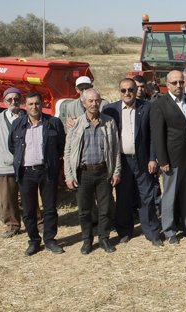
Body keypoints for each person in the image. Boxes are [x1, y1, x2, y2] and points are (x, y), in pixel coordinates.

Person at [150, 70, 186, 244]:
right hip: (172, 159)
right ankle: (169, 231)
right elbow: (158, 135)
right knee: (170, 196)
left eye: (180, 82)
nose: (178, 86)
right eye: (174, 83)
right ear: (167, 85)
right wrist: (163, 160)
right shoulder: (160, 104)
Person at [102, 78, 161, 246]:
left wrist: (152, 158)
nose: (127, 93)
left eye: (130, 90)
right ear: (119, 92)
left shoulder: (146, 107)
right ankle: (125, 231)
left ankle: (151, 232)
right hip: (122, 162)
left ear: (136, 90)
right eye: (123, 90)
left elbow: (152, 136)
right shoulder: (110, 110)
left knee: (147, 197)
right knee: (123, 197)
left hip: (142, 161)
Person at [64, 88, 122, 255]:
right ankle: (87, 240)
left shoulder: (109, 122)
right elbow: (68, 151)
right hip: (83, 173)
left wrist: (116, 171)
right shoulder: (76, 124)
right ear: (83, 103)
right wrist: (69, 175)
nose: (94, 104)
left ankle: (104, 238)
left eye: (97, 100)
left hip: (103, 171)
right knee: (84, 210)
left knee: (105, 209)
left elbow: (116, 149)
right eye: (90, 101)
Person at [8, 91, 66, 256]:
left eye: (37, 103)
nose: (34, 107)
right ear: (24, 106)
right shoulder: (17, 125)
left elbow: (60, 146)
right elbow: (12, 146)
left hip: (47, 171)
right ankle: (33, 241)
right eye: (30, 104)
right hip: (26, 173)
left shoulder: (53, 123)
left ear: (42, 104)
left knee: (49, 208)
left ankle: (49, 240)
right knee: (28, 210)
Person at [0, 87, 25, 238]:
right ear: (4, 102)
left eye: (16, 99)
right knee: (7, 199)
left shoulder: (27, 117)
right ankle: (12, 225)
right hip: (5, 165)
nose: (13, 102)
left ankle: (37, 222)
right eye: (10, 99)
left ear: (21, 100)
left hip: (25, 165)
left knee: (30, 196)